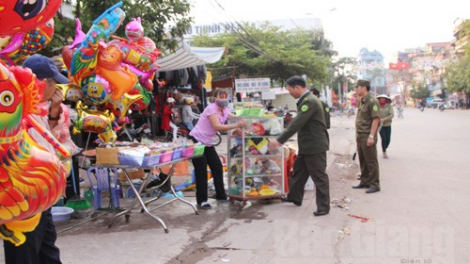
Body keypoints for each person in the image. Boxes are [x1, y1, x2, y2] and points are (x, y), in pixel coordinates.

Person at [3, 54, 73, 264]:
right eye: (54, 84)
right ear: (42, 84)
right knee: (24, 251)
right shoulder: (17, 112)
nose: (58, 91)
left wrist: (53, 113)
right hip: (21, 193)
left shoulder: (42, 109)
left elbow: (52, 142)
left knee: (47, 247)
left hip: (41, 194)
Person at [268, 76, 330, 216]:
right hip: (307, 145)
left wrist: (279, 140)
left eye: (290, 90)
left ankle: (324, 207)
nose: (289, 93)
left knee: (319, 177)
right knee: (299, 172)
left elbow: (297, 124)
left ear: (297, 87)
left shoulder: (309, 102)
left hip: (315, 146)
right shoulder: (306, 100)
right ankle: (294, 197)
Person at [190, 89, 246, 209]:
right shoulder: (211, 109)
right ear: (214, 99)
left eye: (225, 97)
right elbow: (217, 126)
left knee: (217, 167)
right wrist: (236, 125)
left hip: (208, 143)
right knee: (201, 171)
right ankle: (202, 200)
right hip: (196, 141)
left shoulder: (224, 110)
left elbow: (235, 117)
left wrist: (248, 116)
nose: (223, 100)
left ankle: (221, 195)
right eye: (221, 97)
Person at [352, 80, 381, 194]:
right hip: (360, 135)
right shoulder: (362, 101)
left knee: (371, 160)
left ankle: (374, 184)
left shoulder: (372, 101)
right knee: (362, 159)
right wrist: (357, 136)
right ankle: (365, 181)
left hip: (367, 135)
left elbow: (376, 119)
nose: (356, 89)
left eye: (357, 87)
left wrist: (371, 136)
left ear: (364, 87)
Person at [377, 94, 394, 159]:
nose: (382, 100)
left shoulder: (389, 106)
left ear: (386, 99)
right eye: (380, 98)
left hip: (388, 124)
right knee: (383, 139)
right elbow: (374, 112)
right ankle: (384, 151)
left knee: (388, 140)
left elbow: (391, 115)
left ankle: (385, 147)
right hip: (380, 125)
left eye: (383, 98)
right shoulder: (376, 106)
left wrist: (384, 119)